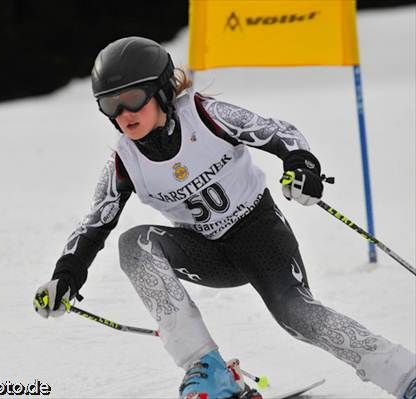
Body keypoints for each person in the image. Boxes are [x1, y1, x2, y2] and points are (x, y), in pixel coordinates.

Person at [33, 36, 416, 399]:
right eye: (109, 105)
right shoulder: (124, 161)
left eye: (133, 99)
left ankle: (406, 375)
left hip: (260, 235)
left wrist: (302, 166)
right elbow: (95, 224)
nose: (123, 114)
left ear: (163, 90)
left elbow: (281, 133)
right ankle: (207, 367)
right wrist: (66, 276)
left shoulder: (205, 114)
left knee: (295, 315)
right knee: (134, 244)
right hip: (205, 252)